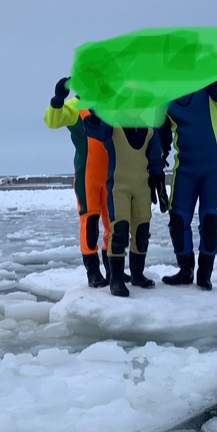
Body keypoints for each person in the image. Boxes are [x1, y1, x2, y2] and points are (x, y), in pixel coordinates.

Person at [159, 38, 217, 290]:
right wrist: (156, 168)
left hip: (214, 163)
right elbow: (162, 139)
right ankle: (185, 269)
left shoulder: (207, 83)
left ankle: (204, 273)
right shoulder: (165, 99)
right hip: (186, 167)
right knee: (178, 219)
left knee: (210, 220)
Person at [83, 113, 167, 297]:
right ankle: (116, 279)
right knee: (119, 230)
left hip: (142, 188)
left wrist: (160, 185)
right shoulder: (112, 126)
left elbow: (155, 161)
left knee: (142, 231)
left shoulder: (150, 132)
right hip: (118, 188)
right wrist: (96, 117)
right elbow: (94, 131)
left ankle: (137, 274)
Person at [44, 78, 111, 288]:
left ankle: (113, 269)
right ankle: (93, 272)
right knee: (90, 222)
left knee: (115, 223)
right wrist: (57, 100)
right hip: (87, 176)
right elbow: (52, 121)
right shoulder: (75, 107)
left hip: (112, 175)